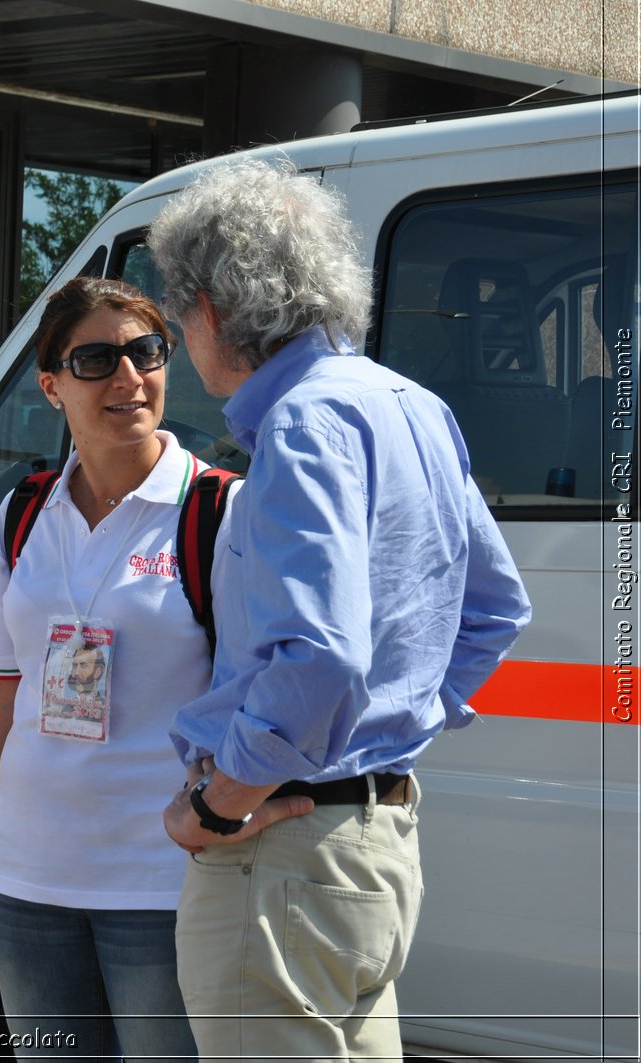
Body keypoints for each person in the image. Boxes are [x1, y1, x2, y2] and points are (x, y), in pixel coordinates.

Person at [149, 157, 532, 1061]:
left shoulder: (298, 425)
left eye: (174, 315)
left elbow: (318, 660)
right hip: (376, 845)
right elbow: (495, 609)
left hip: (286, 855)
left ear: (208, 309)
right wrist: (386, 731)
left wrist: (216, 803)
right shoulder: (412, 406)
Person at [0, 277, 213, 1062]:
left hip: (163, 885)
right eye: (97, 359)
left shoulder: (216, 511)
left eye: (146, 352)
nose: (129, 377)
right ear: (51, 386)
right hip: (27, 884)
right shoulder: (23, 513)